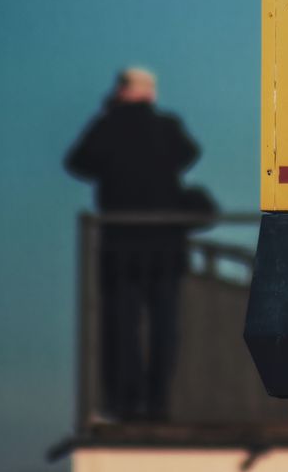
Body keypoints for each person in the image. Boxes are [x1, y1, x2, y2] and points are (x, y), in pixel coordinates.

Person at [65, 67, 210, 421]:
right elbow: (189, 153)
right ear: (151, 93)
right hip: (165, 244)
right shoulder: (166, 127)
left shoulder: (108, 126)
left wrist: (110, 112)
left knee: (123, 324)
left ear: (122, 91)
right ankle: (157, 400)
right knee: (163, 324)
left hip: (121, 243)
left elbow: (77, 161)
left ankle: (127, 401)